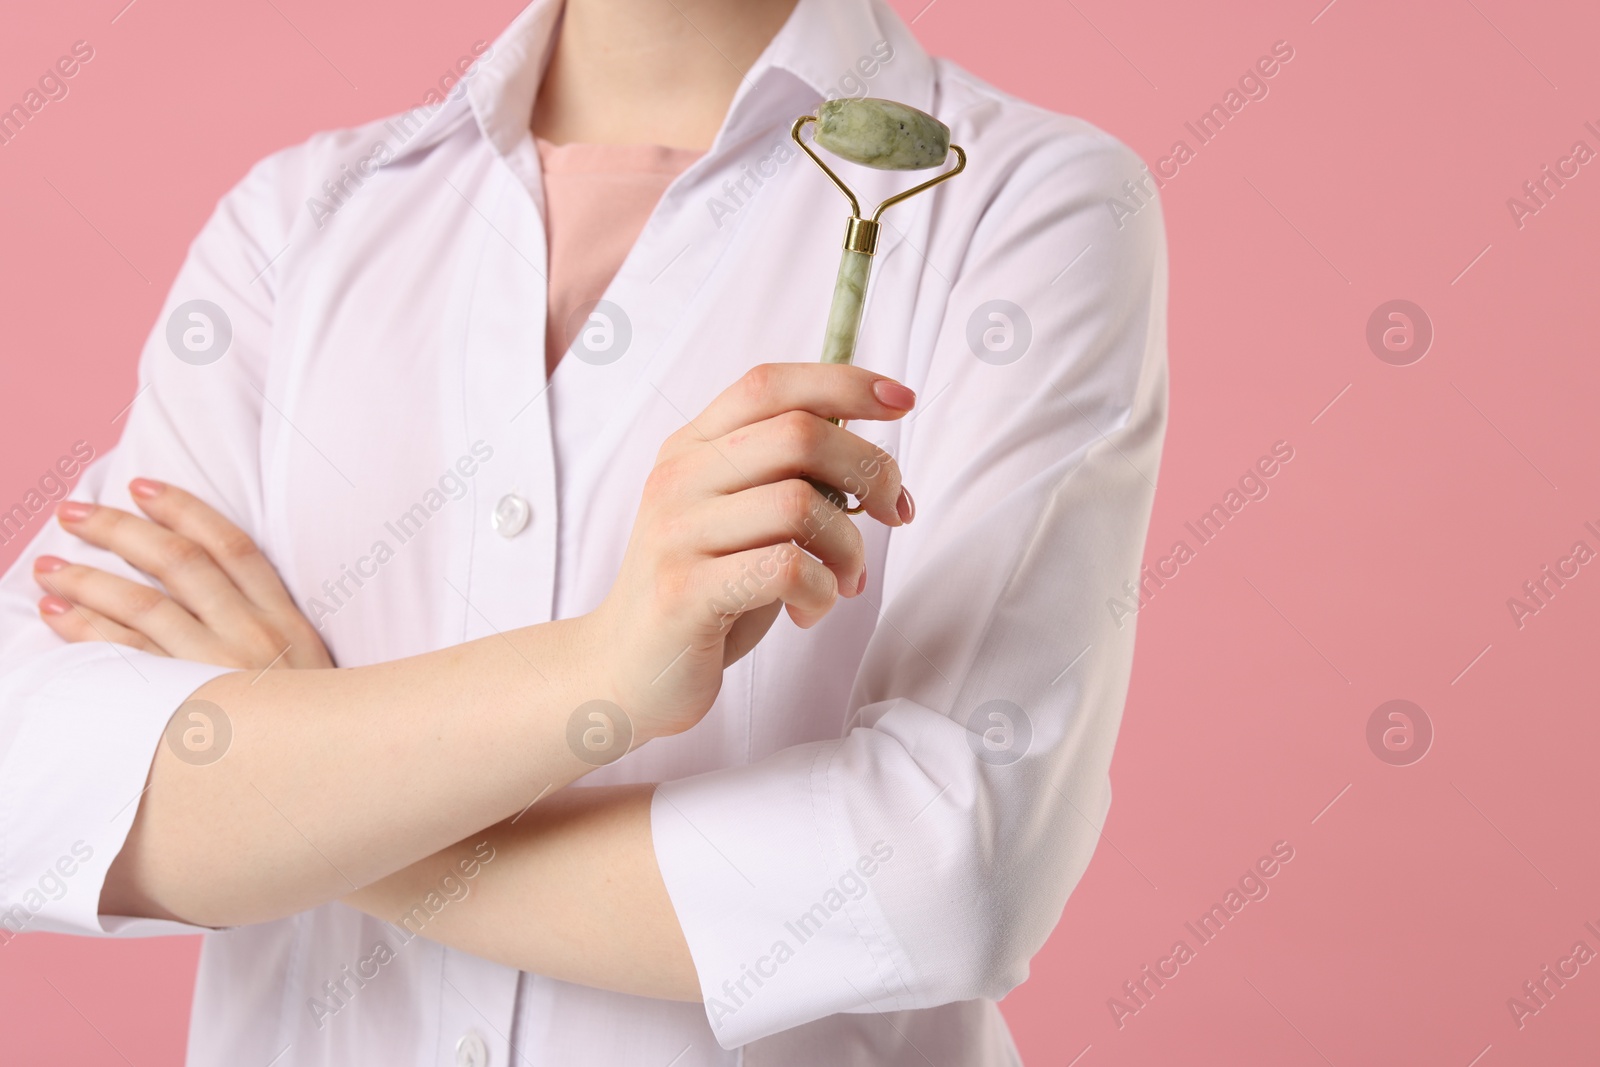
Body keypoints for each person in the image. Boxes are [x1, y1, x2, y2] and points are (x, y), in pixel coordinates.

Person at [0, 0, 1168, 1061]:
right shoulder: (297, 223)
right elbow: (25, 778)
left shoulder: (1026, 205)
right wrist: (598, 676)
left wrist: (303, 797)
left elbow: (944, 870)